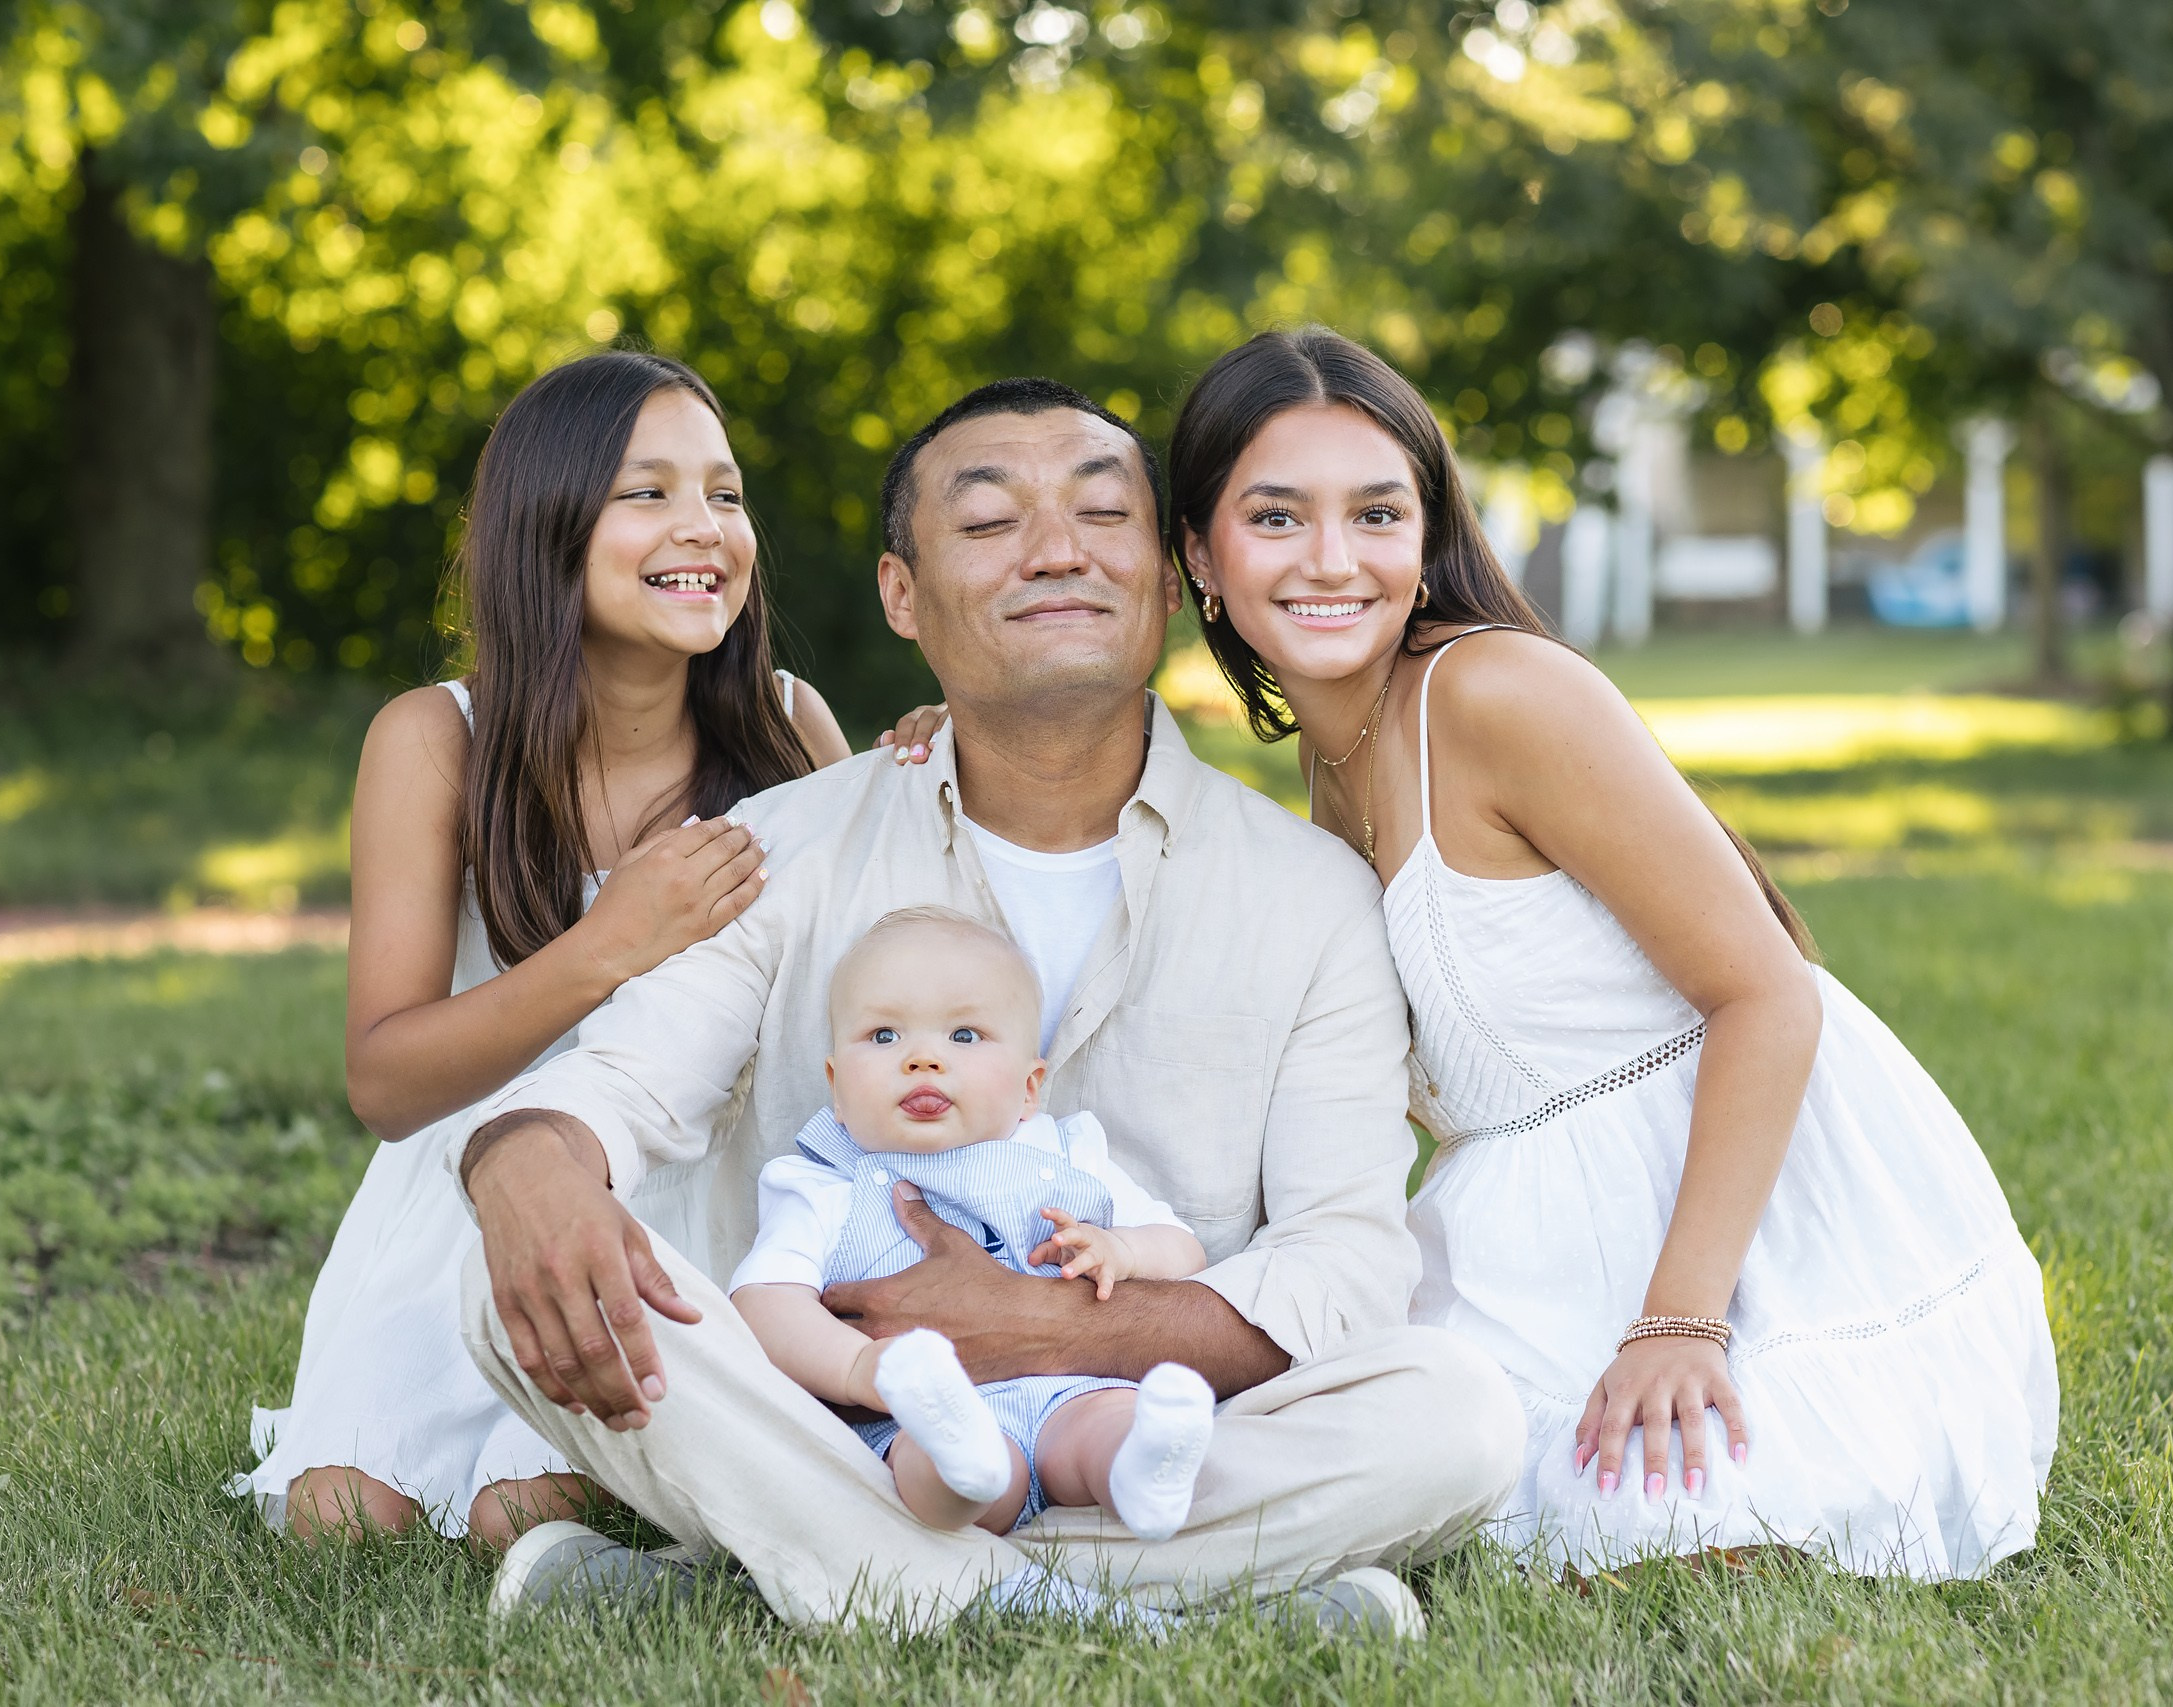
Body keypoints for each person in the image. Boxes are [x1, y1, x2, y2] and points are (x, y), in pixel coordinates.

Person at [452, 376, 1523, 1635]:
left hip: (1141, 1428)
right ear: (902, 595)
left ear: (1171, 579)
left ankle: (820, 1574)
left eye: (1099, 514)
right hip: (842, 1414)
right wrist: (523, 1159)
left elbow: (1342, 1258)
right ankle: (1114, 1611)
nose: (1056, 551)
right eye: (988, 521)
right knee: (514, 1263)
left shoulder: (1306, 894)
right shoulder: (780, 851)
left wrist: (1036, 1327)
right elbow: (619, 1086)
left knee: (1455, 1412)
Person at [1167, 327, 2059, 1581]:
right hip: (1518, 1221)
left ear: (1426, 541)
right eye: (1275, 516)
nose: (1332, 559)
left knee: (1649, 1533)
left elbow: (1764, 992)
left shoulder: (1494, 696)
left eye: (1376, 513)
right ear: (1201, 554)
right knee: (1309, 1451)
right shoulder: (1329, 759)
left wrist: (1681, 1323)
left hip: (1738, 1210)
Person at [231, 349, 860, 1548]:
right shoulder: (436, 739)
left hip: (689, 1180)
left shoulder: (787, 725)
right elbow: (387, 1079)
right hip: (469, 1182)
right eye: (649, 493)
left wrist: (932, 765)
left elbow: (891, 966)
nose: (704, 528)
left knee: (521, 1515)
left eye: (726, 496)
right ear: (547, 522)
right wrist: (608, 944)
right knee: (341, 1517)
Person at [732, 905, 1218, 1543]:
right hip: (918, 1410)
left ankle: (1144, 1469)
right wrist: (859, 1369)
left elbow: (1185, 1249)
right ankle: (968, 1473)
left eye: (964, 1036)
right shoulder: (822, 1183)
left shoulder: (1067, 1154)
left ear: (1028, 1089)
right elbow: (764, 1303)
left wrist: (1122, 1249)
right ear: (836, 1089)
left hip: (1067, 1388)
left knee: (1107, 1421)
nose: (922, 1059)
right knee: (937, 1465)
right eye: (884, 1036)